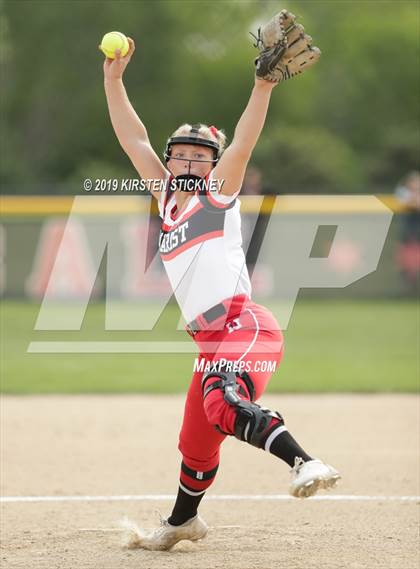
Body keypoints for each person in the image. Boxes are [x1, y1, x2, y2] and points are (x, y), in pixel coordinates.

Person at [102, 17, 340, 552]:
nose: (188, 159)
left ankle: (305, 461)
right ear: (168, 162)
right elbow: (133, 137)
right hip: (208, 339)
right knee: (195, 441)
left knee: (222, 401)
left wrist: (261, 86)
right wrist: (114, 82)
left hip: (244, 324)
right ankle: (183, 520)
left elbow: (245, 142)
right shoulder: (165, 198)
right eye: (180, 153)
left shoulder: (218, 194)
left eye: (200, 155)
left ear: (212, 165)